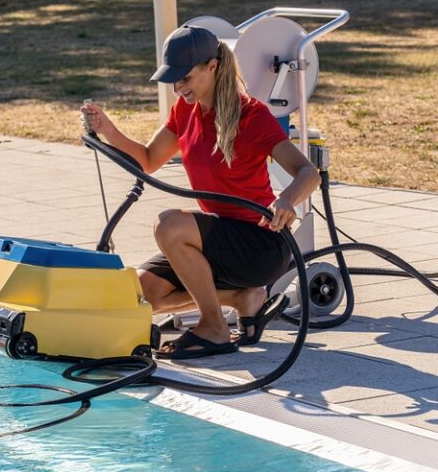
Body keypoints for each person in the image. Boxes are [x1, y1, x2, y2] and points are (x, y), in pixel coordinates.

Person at [80, 25, 320, 359]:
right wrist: (108, 130)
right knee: (140, 295)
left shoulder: (251, 116)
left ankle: (214, 327)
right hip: (216, 240)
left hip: (259, 243)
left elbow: (308, 173)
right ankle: (242, 299)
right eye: (174, 80)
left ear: (213, 66)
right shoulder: (185, 111)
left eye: (186, 78)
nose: (179, 88)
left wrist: (287, 199)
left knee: (169, 225)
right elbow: (149, 160)